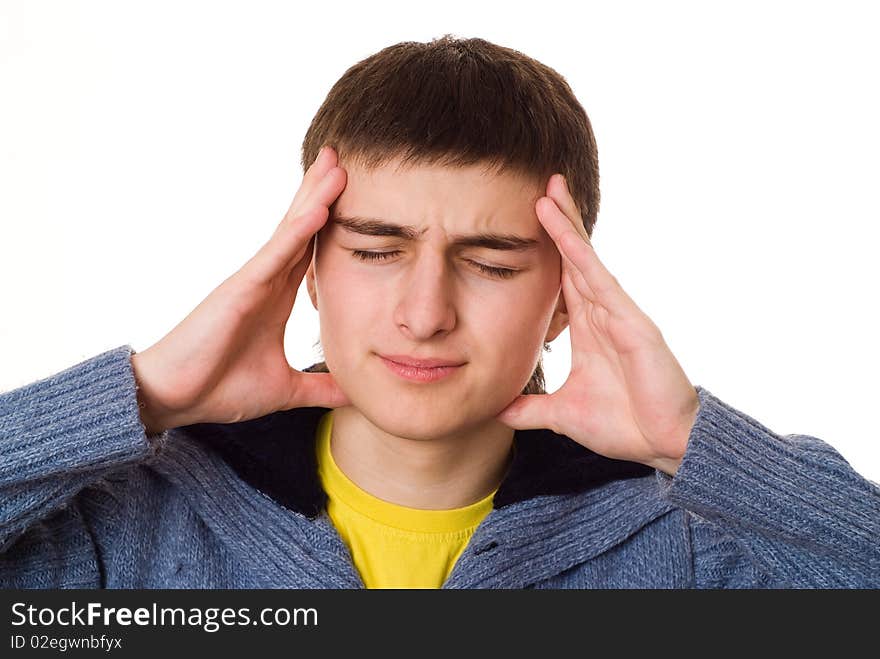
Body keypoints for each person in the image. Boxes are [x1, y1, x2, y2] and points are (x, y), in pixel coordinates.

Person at [1, 35, 878, 589]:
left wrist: (688, 441)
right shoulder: (132, 530)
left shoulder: (685, 551)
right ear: (307, 268)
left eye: (491, 263)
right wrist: (142, 394)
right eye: (378, 251)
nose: (425, 314)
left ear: (567, 298)